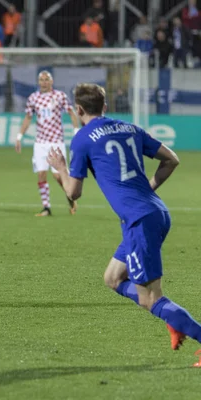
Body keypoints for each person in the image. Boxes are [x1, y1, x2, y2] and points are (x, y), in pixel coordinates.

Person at [47, 83, 201, 361]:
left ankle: (179, 320)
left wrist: (60, 169)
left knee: (150, 299)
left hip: (140, 219)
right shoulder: (130, 128)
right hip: (154, 212)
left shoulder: (82, 138)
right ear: (105, 107)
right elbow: (172, 160)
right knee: (113, 278)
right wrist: (147, 190)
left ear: (78, 109)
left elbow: (73, 192)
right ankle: (172, 317)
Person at [15, 71, 80, 217]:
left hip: (56, 142)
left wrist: (76, 132)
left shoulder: (59, 96)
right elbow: (27, 117)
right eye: (41, 80)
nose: (44, 82)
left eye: (46, 80)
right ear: (38, 82)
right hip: (40, 143)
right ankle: (46, 208)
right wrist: (19, 136)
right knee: (41, 175)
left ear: (51, 81)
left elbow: (71, 113)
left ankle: (70, 197)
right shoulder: (33, 98)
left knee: (58, 176)